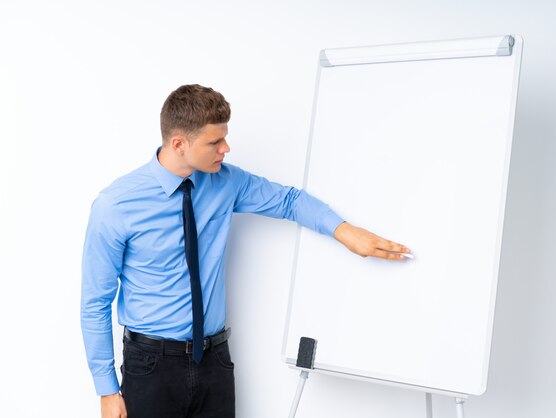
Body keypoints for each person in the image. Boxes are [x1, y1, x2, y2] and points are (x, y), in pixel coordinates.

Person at [81, 84, 410, 418]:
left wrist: (347, 232)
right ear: (179, 143)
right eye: (214, 142)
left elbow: (288, 201)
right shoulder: (116, 205)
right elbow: (95, 302)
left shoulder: (225, 182)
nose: (226, 148)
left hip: (214, 360)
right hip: (150, 366)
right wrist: (107, 389)